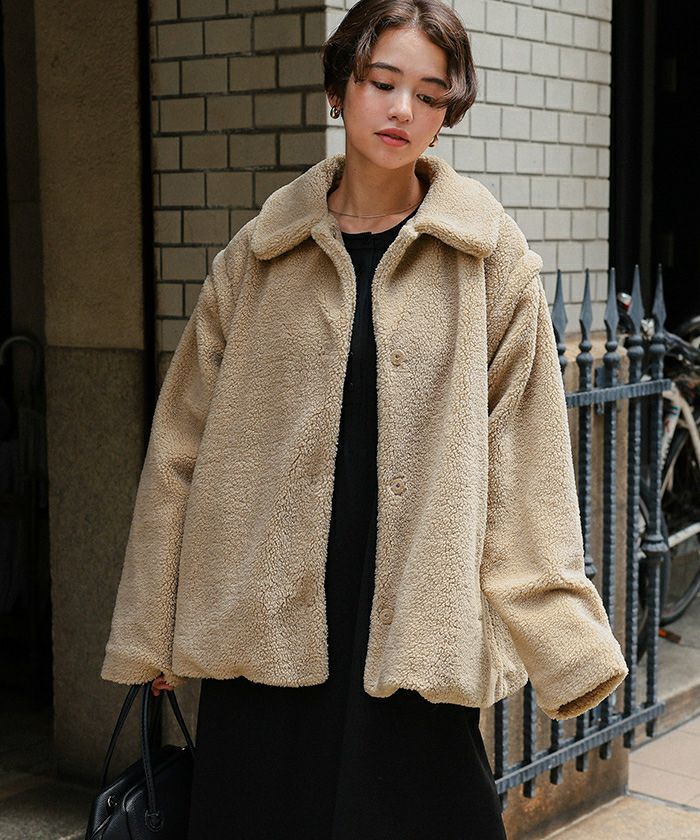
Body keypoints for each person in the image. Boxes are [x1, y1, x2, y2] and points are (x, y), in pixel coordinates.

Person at [101, 0, 629, 837]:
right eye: (383, 83)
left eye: (429, 93)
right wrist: (151, 630)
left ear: (448, 111)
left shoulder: (488, 262)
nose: (402, 110)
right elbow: (179, 449)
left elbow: (525, 458)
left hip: (413, 618)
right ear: (340, 86)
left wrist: (563, 635)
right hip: (261, 619)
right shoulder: (257, 257)